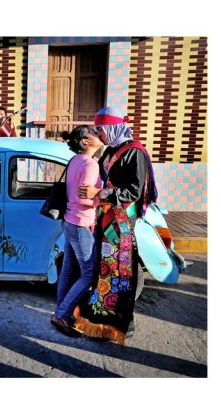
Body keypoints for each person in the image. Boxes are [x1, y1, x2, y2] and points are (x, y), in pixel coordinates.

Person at [75, 106, 158, 344]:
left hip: (122, 224)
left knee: (121, 273)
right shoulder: (112, 150)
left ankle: (122, 325)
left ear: (112, 128)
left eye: (101, 129)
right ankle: (102, 322)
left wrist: (100, 193)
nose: (99, 134)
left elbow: (134, 190)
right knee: (106, 272)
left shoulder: (135, 152)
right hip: (107, 218)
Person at [51, 126, 104, 338]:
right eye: (93, 132)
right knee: (89, 275)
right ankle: (62, 315)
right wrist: (102, 195)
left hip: (70, 220)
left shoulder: (75, 160)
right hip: (81, 223)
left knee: (68, 269)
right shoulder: (91, 164)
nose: (97, 133)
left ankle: (61, 311)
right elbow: (84, 197)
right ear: (85, 141)